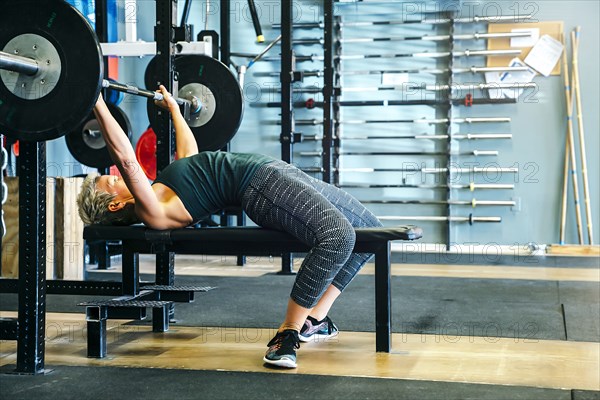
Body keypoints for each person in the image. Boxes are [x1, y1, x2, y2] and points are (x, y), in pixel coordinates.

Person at [76, 86, 383, 369]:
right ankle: (286, 334)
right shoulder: (153, 209)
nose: (116, 175)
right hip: (261, 186)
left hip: (274, 170)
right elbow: (126, 158)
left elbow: (190, 157)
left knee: (370, 229)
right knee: (338, 236)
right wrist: (97, 102)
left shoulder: (161, 188)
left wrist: (174, 111)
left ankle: (312, 319)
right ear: (114, 205)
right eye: (111, 181)